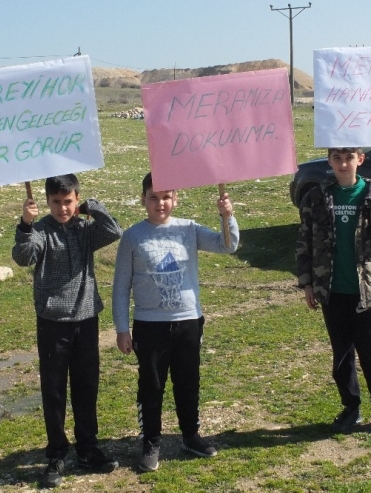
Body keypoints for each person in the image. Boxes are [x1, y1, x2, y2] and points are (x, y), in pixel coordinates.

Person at [112, 172, 239, 472]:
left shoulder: (189, 229)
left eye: (166, 197)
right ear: (143, 199)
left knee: (188, 380)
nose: (160, 203)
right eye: (154, 197)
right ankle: (151, 442)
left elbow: (228, 245)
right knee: (151, 384)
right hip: (149, 323)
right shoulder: (133, 236)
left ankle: (190, 435)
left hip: (188, 321)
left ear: (176, 198)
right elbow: (121, 286)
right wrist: (121, 328)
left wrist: (227, 216)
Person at [12, 174, 122, 488]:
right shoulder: (41, 231)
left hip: (86, 319)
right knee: (55, 389)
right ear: (47, 201)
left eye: (69, 202)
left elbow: (114, 230)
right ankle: (57, 453)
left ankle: (87, 449)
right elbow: (23, 257)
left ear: (76, 199)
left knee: (86, 386)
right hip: (52, 323)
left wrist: (92, 207)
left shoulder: (86, 230)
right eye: (57, 202)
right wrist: (25, 224)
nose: (63, 208)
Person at [295, 147, 371, 436]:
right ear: (330, 161)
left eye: (349, 158)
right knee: (342, 355)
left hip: (365, 290)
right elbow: (305, 241)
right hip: (331, 289)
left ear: (361, 159)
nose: (343, 164)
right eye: (337, 158)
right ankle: (351, 408)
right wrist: (307, 282)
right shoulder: (316, 198)